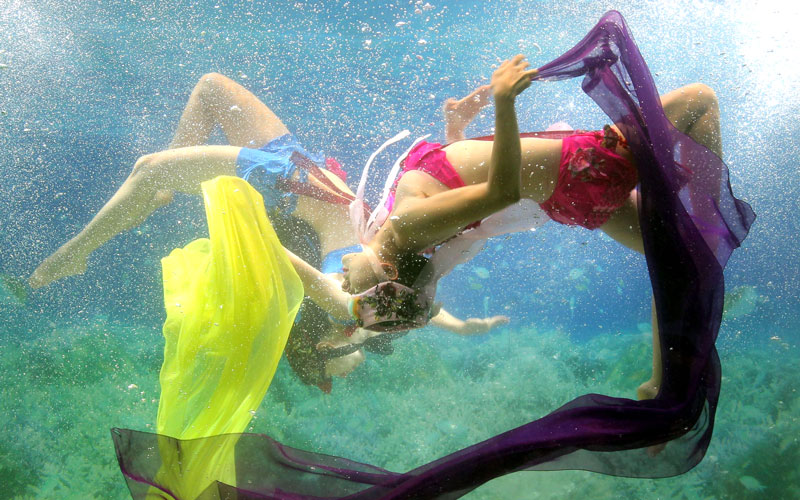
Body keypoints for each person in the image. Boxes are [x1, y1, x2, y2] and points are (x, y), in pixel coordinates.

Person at [27, 72, 508, 387]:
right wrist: (462, 327)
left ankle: (77, 252)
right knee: (210, 88)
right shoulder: (400, 258)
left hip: (280, 181)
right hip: (301, 164)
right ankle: (165, 190)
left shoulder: (341, 292)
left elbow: (363, 311)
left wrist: (341, 343)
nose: (347, 269)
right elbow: (418, 304)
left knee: (149, 168)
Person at [338, 55, 725, 402]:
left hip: (572, 196)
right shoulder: (407, 228)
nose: (342, 283)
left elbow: (463, 186)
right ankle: (712, 224)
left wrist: (455, 127)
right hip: (583, 168)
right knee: (700, 99)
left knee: (679, 261)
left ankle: (660, 383)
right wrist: (504, 101)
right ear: (387, 270)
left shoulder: (409, 235)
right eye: (357, 295)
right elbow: (501, 191)